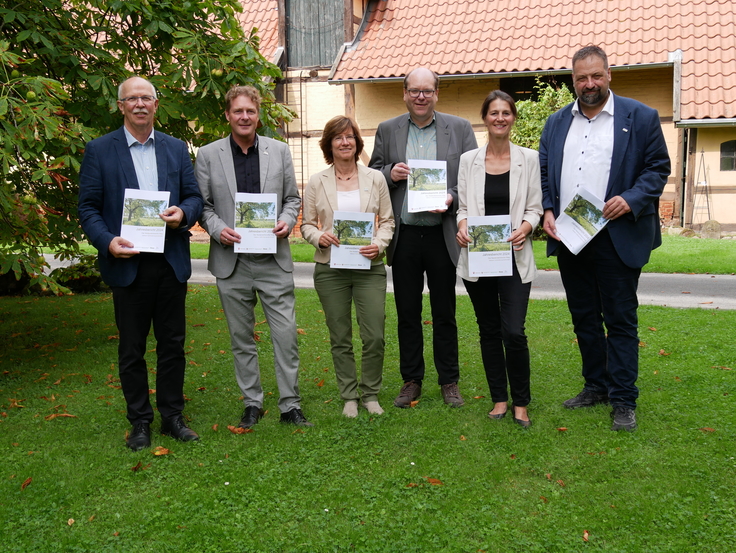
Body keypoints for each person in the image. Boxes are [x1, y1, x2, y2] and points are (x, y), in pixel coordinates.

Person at [539, 45, 670, 431]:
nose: (589, 84)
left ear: (609, 74)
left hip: (617, 235)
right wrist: (547, 209)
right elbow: (546, 171)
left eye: (596, 75)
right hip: (571, 237)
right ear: (573, 80)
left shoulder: (640, 117)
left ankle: (624, 399)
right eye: (581, 78)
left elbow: (657, 168)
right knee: (584, 319)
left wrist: (630, 200)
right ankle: (595, 385)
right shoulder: (556, 122)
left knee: (621, 320)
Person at [78, 76, 204, 451]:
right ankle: (140, 422)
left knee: (172, 345)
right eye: (131, 99)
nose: (139, 105)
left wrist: (183, 212)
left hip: (169, 262)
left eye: (145, 98)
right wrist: (107, 242)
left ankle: (172, 416)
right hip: (127, 263)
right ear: (121, 106)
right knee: (131, 348)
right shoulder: (99, 150)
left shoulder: (176, 148)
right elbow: (88, 208)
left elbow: (194, 197)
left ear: (156, 105)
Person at [195, 85, 313, 428]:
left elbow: (292, 199)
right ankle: (252, 402)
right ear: (228, 115)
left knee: (285, 336)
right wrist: (218, 230)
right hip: (231, 261)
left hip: (272, 259)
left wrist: (287, 221)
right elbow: (203, 205)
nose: (244, 117)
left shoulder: (279, 151)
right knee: (241, 338)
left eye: (250, 111)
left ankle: (290, 404)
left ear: (258, 115)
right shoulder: (207, 154)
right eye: (238, 111)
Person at [369, 67, 477, 408]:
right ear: (404, 93)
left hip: (441, 234)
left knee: (444, 312)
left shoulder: (459, 129)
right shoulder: (388, 130)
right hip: (405, 237)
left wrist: (451, 198)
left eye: (427, 91)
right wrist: (390, 173)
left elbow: (472, 179)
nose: (420, 96)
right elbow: (372, 173)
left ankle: (449, 382)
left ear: (436, 93)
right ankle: (411, 380)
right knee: (407, 312)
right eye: (414, 90)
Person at [456, 91, 543, 428]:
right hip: (479, 258)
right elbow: (463, 207)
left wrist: (526, 227)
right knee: (489, 331)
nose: (500, 118)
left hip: (515, 256)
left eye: (506, 112)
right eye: (494, 112)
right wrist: (462, 227)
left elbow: (535, 207)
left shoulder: (529, 159)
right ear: (485, 117)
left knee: (514, 331)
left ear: (513, 118)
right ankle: (499, 399)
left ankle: (521, 402)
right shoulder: (468, 161)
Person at [301, 116, 395, 418]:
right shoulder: (318, 181)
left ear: (357, 142)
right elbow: (306, 225)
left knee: (374, 335)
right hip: (331, 269)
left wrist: (378, 244)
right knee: (340, 335)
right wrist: (320, 237)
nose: (345, 142)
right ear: (329, 143)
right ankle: (349, 396)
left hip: (369, 267)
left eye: (350, 136)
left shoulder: (375, 178)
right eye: (339, 137)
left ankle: (370, 393)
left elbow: (388, 221)